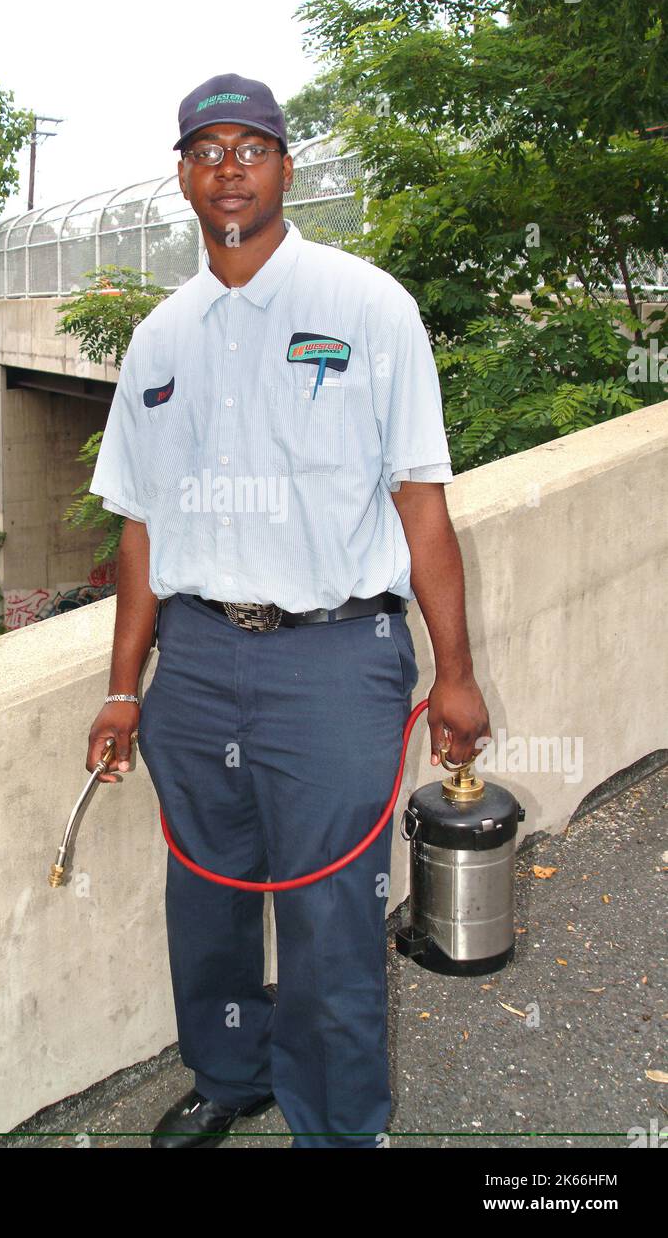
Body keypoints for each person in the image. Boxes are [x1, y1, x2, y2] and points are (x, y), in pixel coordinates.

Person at [85, 72, 490, 1148]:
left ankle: (338, 1127)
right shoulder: (160, 339)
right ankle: (230, 1074)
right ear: (181, 173)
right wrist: (125, 688)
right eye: (205, 149)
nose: (227, 167)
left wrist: (451, 672)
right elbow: (137, 529)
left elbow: (420, 506)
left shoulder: (365, 308)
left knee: (327, 920)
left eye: (249, 147)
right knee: (208, 904)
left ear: (283, 167)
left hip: (332, 662)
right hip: (197, 658)